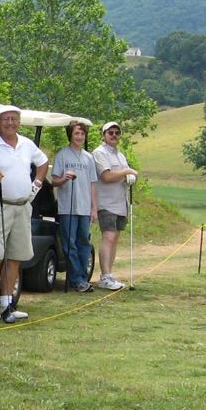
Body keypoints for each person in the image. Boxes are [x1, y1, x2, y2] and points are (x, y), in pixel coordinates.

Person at [0, 105, 49, 323]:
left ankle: (7, 302)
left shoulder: (26, 144)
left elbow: (43, 162)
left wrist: (37, 184)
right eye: (5, 119)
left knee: (15, 256)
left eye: (14, 119)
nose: (10, 122)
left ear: (19, 122)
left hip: (23, 206)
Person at [52, 120, 98, 293]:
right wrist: (64, 178)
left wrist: (94, 208)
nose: (79, 137)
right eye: (76, 133)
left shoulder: (89, 157)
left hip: (84, 208)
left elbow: (93, 184)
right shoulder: (62, 155)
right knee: (69, 244)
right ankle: (76, 279)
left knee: (84, 242)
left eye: (82, 134)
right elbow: (54, 181)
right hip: (67, 208)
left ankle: (81, 278)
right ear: (70, 134)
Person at [92, 121, 138, 290]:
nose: (113, 135)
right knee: (109, 237)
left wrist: (129, 176)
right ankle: (104, 276)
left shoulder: (120, 155)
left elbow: (124, 175)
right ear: (103, 135)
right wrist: (127, 172)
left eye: (116, 133)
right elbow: (107, 177)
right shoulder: (99, 153)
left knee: (115, 239)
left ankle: (109, 274)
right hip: (106, 203)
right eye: (110, 132)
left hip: (120, 203)